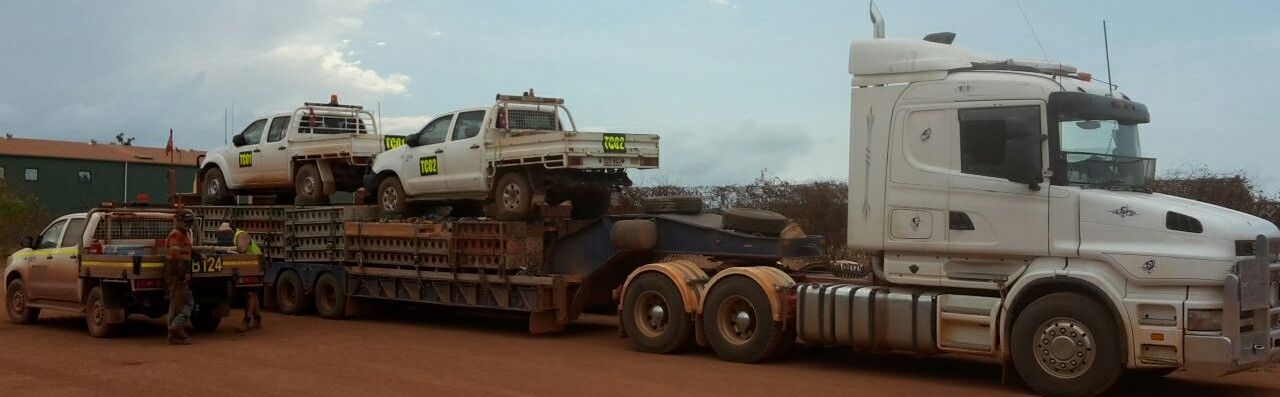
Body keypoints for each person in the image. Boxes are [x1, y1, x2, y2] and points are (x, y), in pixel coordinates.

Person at [216, 223, 263, 332]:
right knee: (253, 294)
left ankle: (246, 321)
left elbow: (242, 250)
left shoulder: (241, 235)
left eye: (225, 233)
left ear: (231, 231)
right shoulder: (232, 237)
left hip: (253, 264)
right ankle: (257, 319)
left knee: (250, 294)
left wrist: (229, 251)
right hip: (247, 264)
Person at [165, 211, 196, 345]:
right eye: (186, 222)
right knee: (185, 303)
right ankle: (175, 327)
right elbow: (175, 256)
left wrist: (198, 255)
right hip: (176, 275)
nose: (188, 225)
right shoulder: (177, 235)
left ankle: (174, 332)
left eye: (190, 222)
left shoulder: (183, 234)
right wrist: (183, 273)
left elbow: (186, 252)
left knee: (177, 304)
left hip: (177, 274)